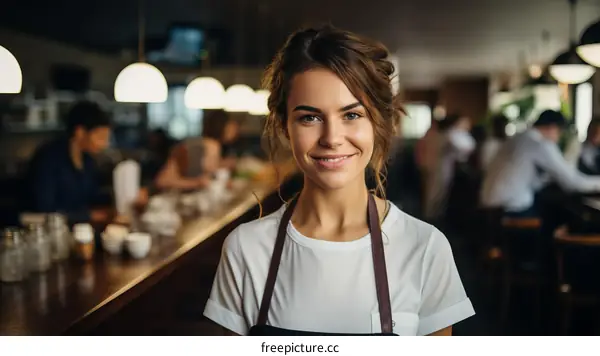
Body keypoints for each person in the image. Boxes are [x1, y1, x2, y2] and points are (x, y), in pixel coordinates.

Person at [203, 25, 475, 336]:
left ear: (379, 123)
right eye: (310, 117)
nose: (332, 138)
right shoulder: (246, 249)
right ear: (284, 126)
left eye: (352, 115)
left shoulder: (425, 247)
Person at [481, 110, 600, 217]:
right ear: (553, 127)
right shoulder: (539, 143)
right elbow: (573, 182)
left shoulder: (518, 137)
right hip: (512, 208)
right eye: (559, 133)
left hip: (489, 205)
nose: (558, 139)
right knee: (563, 213)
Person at [26, 100, 114, 224]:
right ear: (80, 132)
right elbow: (44, 208)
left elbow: (92, 196)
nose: (105, 144)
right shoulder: (49, 158)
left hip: (80, 229)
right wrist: (87, 216)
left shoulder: (87, 160)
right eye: (100, 137)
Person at [154, 110, 232, 190]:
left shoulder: (214, 146)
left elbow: (209, 172)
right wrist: (196, 183)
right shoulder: (190, 148)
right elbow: (162, 181)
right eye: (232, 126)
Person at [423, 114, 475, 221]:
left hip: (440, 167)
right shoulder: (446, 136)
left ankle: (433, 215)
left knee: (437, 192)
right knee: (437, 192)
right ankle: (432, 216)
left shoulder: (442, 136)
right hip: (441, 168)